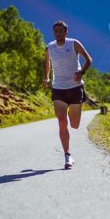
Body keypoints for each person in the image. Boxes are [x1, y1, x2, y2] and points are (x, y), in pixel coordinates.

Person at [43, 21, 92, 169]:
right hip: (58, 89)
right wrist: (46, 77)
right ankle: (67, 156)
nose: (58, 33)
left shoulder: (74, 44)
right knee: (62, 123)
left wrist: (81, 72)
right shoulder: (49, 48)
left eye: (60, 30)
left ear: (66, 32)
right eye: (55, 31)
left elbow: (88, 60)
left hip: (75, 88)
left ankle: (73, 111)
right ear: (53, 33)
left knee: (75, 125)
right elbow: (47, 64)